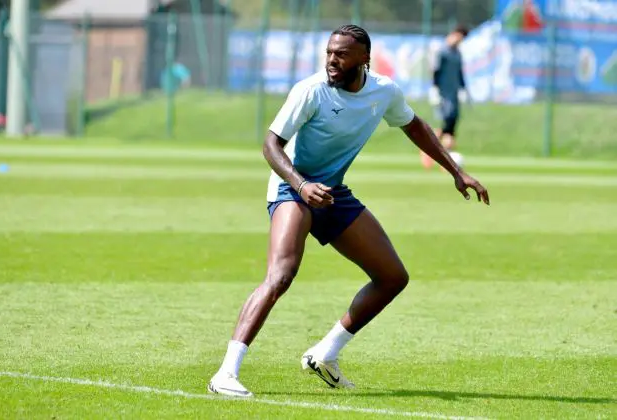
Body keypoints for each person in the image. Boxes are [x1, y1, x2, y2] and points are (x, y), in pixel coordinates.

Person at [208, 24, 489, 398]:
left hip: (332, 192)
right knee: (281, 275)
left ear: (364, 59)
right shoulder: (311, 91)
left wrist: (457, 172)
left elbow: (415, 126)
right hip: (293, 188)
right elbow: (271, 145)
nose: (331, 61)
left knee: (392, 277)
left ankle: (325, 354)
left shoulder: (383, 91)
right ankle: (226, 373)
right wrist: (301, 185)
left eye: (341, 54)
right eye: (328, 53)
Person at [421, 25, 470, 169]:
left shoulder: (458, 53)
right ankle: (427, 149)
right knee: (445, 123)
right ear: (455, 34)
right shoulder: (442, 51)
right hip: (443, 94)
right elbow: (435, 71)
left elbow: (460, 74)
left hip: (454, 95)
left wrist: (463, 89)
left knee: (452, 127)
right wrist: (435, 89)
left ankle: (446, 162)